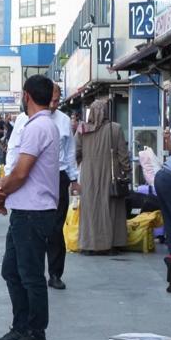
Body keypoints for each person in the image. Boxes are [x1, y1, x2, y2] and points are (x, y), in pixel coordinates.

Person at [0, 75, 59, 340]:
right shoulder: (38, 124)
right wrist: (5, 193)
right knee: (12, 271)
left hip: (34, 211)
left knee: (30, 275)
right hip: (25, 210)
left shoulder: (38, 126)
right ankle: (20, 327)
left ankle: (36, 333)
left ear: (27, 96)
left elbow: (20, 173)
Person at [75, 99, 130, 255]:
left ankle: (89, 244)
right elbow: (123, 155)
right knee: (111, 208)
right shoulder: (115, 128)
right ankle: (111, 244)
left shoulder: (82, 129)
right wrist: (127, 171)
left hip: (89, 175)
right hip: (111, 174)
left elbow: (76, 153)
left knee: (90, 208)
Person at [46, 84, 79, 290]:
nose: (53, 104)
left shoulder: (64, 120)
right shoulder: (26, 119)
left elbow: (69, 151)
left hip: (59, 176)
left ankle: (55, 273)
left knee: (56, 227)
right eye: (50, 99)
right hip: (34, 177)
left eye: (57, 100)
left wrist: (74, 178)